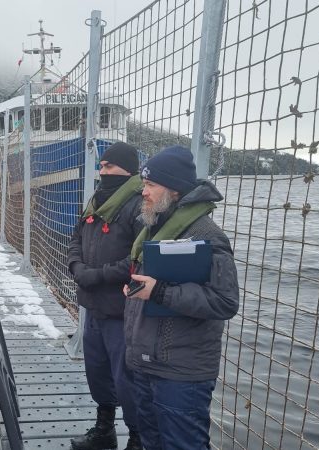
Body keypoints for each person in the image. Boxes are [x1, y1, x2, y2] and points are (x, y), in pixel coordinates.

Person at [123, 145, 240, 450]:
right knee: (152, 442)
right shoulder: (155, 227)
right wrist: (137, 289)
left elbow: (225, 301)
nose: (143, 192)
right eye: (143, 184)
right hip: (147, 363)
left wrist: (159, 291)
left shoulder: (206, 235)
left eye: (150, 185)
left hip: (181, 373)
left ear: (173, 190)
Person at [67, 142, 144, 450]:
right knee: (96, 371)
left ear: (128, 169)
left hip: (122, 309)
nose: (103, 171)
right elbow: (76, 238)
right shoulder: (96, 200)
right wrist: (76, 266)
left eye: (110, 166)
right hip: (93, 306)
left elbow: (139, 259)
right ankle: (104, 429)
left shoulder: (139, 206)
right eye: (101, 166)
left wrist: (96, 275)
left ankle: (137, 439)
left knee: (126, 377)